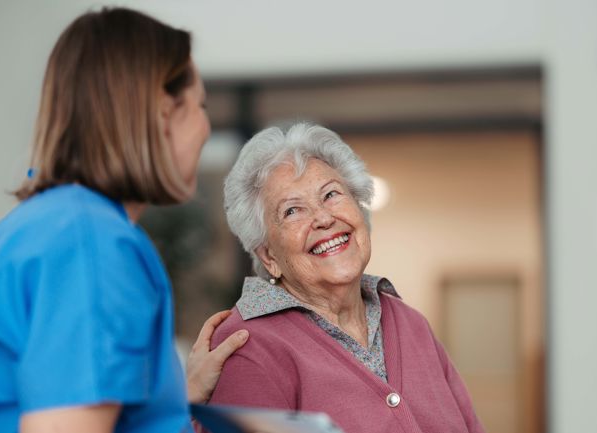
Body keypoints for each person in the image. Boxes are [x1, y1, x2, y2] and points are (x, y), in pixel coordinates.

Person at [0, 8, 246, 433]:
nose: (205, 127)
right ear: (163, 114)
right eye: (199, 105)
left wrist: (172, 402)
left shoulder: (38, 227)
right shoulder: (94, 247)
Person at [208, 123, 485, 433]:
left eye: (331, 194)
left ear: (360, 209)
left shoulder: (411, 324)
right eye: (292, 211)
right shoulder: (248, 346)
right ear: (269, 257)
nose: (324, 218)